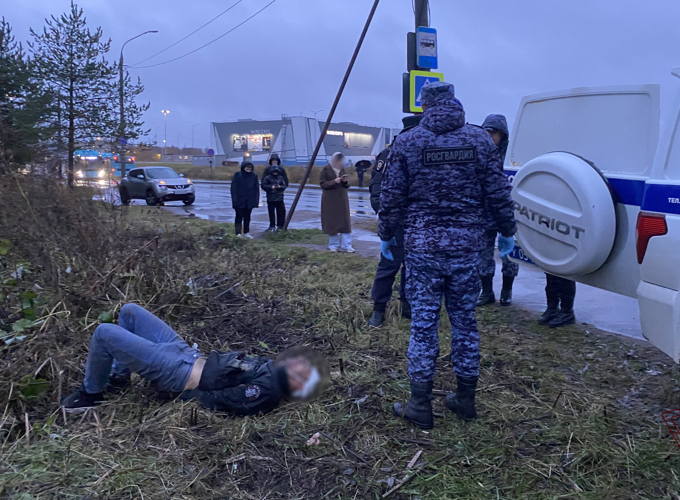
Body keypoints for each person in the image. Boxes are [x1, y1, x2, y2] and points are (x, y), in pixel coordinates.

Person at [378, 81, 516, 428]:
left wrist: (385, 235)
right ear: (455, 103)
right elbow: (498, 192)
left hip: (423, 248)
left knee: (424, 324)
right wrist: (507, 232)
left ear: (424, 106)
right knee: (465, 321)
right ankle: (465, 399)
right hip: (467, 246)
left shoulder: (407, 142)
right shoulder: (480, 140)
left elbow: (392, 196)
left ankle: (420, 405)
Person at [61, 304, 329, 415]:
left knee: (104, 333)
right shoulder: (272, 368)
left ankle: (91, 393)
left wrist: (180, 396)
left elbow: (224, 401)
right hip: (185, 353)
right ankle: (119, 377)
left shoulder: (268, 389)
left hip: (177, 372)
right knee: (130, 311)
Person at [367, 115, 422, 328]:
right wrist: (383, 212)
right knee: (389, 265)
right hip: (396, 221)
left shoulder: (422, 152)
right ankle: (378, 309)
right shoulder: (389, 154)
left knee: (413, 267)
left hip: (418, 222)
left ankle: (407, 305)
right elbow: (377, 186)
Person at [477, 114, 520, 307]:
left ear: (502, 134)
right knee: (483, 255)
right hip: (483, 213)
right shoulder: (478, 153)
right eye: (486, 131)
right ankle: (486, 291)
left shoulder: (512, 157)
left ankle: (507, 290)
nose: (489, 136)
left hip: (506, 213)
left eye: (493, 132)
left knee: (509, 255)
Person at [320, 152, 354, 253]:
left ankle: (347, 246)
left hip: (342, 199)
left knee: (345, 223)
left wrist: (344, 181)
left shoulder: (342, 170)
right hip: (330, 200)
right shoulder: (326, 170)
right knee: (332, 223)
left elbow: (347, 185)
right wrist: (334, 181)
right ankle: (333, 245)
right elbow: (322, 184)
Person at [230, 161, 260, 238]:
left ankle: (246, 232)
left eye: (250, 167)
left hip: (249, 201)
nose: (248, 169)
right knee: (239, 216)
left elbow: (256, 189)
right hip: (239, 200)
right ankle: (238, 232)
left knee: (247, 217)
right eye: (247, 167)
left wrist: (256, 201)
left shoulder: (254, 176)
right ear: (243, 167)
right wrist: (234, 200)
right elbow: (233, 188)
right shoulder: (238, 175)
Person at [261, 163, 287, 231]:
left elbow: (284, 186)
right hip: (271, 198)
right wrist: (271, 187)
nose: (275, 173)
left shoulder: (280, 178)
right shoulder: (267, 178)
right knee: (271, 213)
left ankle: (280, 226)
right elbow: (263, 185)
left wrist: (279, 187)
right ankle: (272, 225)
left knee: (281, 212)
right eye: (274, 171)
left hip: (279, 198)